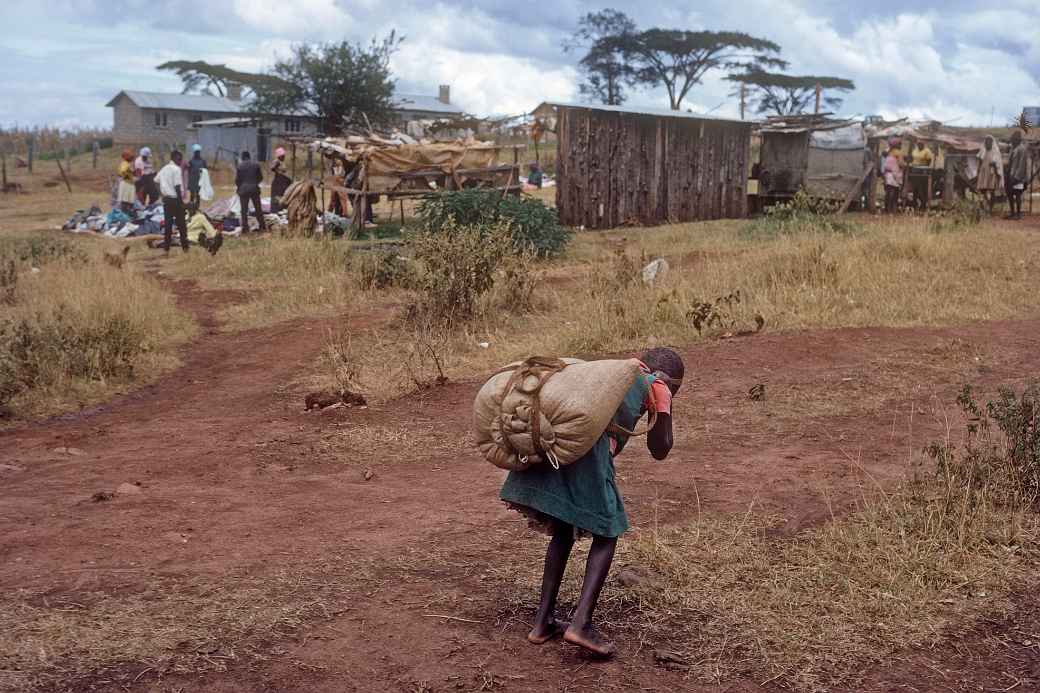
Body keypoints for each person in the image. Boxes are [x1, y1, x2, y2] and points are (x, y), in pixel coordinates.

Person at [499, 347, 685, 658]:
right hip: (588, 454)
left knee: (563, 529)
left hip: (561, 446)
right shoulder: (658, 385)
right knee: (608, 529)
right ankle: (580, 624)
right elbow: (660, 447)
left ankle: (543, 621)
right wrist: (665, 404)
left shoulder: (612, 374)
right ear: (668, 378)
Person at [157, 150, 189, 254]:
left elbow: (156, 181)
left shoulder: (164, 169)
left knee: (168, 225)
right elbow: (177, 187)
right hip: (175, 199)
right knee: (181, 225)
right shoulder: (176, 169)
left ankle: (166, 249)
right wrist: (181, 203)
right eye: (179, 159)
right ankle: (185, 248)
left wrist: (161, 194)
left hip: (166, 200)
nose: (180, 161)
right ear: (174, 158)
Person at [235, 150, 266, 232]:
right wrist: (255, 183)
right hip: (254, 189)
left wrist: (240, 187)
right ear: (249, 157)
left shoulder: (239, 166)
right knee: (258, 209)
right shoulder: (256, 165)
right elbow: (260, 178)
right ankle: (262, 226)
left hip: (244, 190)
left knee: (244, 210)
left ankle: (245, 228)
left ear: (242, 157)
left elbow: (237, 180)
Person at [976, 135, 1004, 216]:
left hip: (992, 175)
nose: (988, 144)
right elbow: (979, 162)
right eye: (986, 142)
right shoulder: (983, 151)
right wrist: (978, 172)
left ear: (992, 143)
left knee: (991, 192)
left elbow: (999, 164)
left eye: (989, 142)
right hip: (983, 173)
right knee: (982, 191)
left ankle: (990, 210)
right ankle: (983, 208)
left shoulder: (996, 152)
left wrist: (995, 165)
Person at [1006, 131, 1030, 220]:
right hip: (1011, 175)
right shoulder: (1013, 148)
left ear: (1017, 140)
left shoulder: (1022, 149)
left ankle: (1019, 214)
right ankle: (1012, 213)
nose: (1012, 141)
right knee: (1009, 194)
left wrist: (1016, 177)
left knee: (1018, 194)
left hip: (1018, 176)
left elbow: (1022, 165)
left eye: (1013, 140)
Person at [909, 141, 934, 211]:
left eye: (921, 144)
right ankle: (915, 203)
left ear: (923, 144)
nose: (919, 145)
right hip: (914, 171)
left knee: (921, 189)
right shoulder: (915, 150)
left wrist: (923, 167)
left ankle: (923, 204)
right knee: (915, 189)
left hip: (922, 172)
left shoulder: (927, 151)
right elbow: (912, 158)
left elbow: (929, 160)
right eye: (918, 144)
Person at [882, 140, 904, 214]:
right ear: (897, 145)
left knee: (888, 192)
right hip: (895, 174)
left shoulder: (888, 152)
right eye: (900, 144)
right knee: (894, 192)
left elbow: (883, 154)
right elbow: (901, 164)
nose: (901, 146)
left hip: (887, 174)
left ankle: (887, 208)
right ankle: (892, 209)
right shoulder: (898, 152)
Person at [270, 147, 292, 214]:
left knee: (283, 196)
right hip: (278, 183)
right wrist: (278, 170)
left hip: (283, 182)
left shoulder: (282, 162)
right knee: (277, 197)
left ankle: (282, 209)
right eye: (283, 155)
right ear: (280, 156)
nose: (284, 157)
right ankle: (276, 211)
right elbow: (272, 168)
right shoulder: (277, 161)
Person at [187, 144, 207, 215]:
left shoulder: (203, 161)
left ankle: (197, 208)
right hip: (192, 180)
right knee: (192, 195)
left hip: (200, 180)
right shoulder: (191, 161)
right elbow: (189, 171)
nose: (197, 153)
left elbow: (205, 170)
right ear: (194, 152)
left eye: (198, 152)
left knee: (198, 195)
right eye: (196, 152)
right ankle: (191, 208)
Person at [116, 149, 136, 214]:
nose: (132, 159)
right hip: (126, 184)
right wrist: (130, 172)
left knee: (129, 201)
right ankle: (125, 214)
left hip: (129, 183)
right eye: (131, 157)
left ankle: (127, 213)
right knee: (125, 201)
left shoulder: (127, 164)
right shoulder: (125, 163)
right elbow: (123, 171)